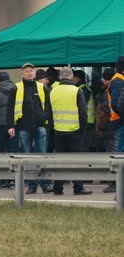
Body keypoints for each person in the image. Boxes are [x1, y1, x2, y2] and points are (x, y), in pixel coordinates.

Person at [7, 63, 52, 194]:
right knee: (27, 156)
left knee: (42, 156)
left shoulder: (41, 87)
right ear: (22, 73)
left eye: (31, 71)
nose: (29, 73)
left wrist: (45, 119)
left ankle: (45, 184)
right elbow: (10, 108)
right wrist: (11, 125)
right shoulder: (16, 88)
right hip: (23, 127)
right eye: (27, 71)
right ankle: (32, 185)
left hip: (40, 126)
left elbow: (48, 106)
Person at [49, 67, 92, 195]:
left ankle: (58, 188)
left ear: (60, 77)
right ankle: (78, 187)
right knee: (76, 161)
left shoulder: (53, 91)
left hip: (58, 131)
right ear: (71, 77)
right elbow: (83, 113)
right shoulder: (76, 90)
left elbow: (48, 112)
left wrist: (54, 128)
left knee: (60, 161)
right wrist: (82, 130)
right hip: (75, 131)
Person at [96, 68, 117, 193]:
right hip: (114, 128)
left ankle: (115, 183)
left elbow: (106, 110)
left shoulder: (108, 90)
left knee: (113, 156)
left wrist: (100, 126)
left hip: (110, 129)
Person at [73, 70, 96, 152]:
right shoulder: (83, 88)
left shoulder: (83, 89)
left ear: (77, 78)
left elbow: (80, 107)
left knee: (83, 146)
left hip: (86, 121)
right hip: (87, 121)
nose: (71, 79)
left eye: (73, 77)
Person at [109, 56, 124, 152]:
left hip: (120, 119)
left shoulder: (119, 79)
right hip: (120, 120)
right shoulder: (118, 81)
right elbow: (116, 104)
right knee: (121, 150)